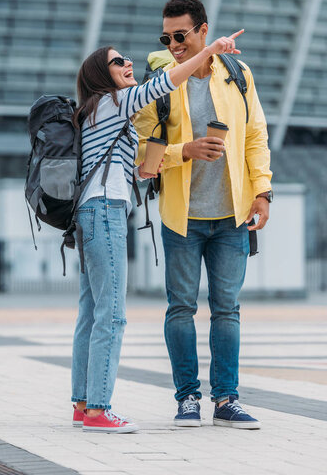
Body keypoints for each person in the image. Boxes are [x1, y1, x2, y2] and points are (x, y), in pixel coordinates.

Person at [71, 30, 243, 433]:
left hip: (89, 212)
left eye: (127, 58)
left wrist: (160, 161)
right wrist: (213, 50)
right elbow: (169, 80)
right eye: (118, 62)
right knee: (111, 315)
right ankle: (98, 409)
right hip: (105, 211)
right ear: (102, 74)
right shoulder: (116, 100)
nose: (128, 64)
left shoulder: (97, 111)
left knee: (90, 311)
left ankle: (83, 403)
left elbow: (137, 169)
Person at [134, 0, 272, 429]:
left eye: (181, 35)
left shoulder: (237, 74)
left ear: (203, 30)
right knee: (180, 308)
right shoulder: (159, 83)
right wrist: (186, 151)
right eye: (166, 37)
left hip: (232, 215)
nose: (173, 44)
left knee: (227, 309)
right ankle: (187, 399)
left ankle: (226, 399)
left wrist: (263, 191)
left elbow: (255, 135)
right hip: (182, 217)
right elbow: (144, 157)